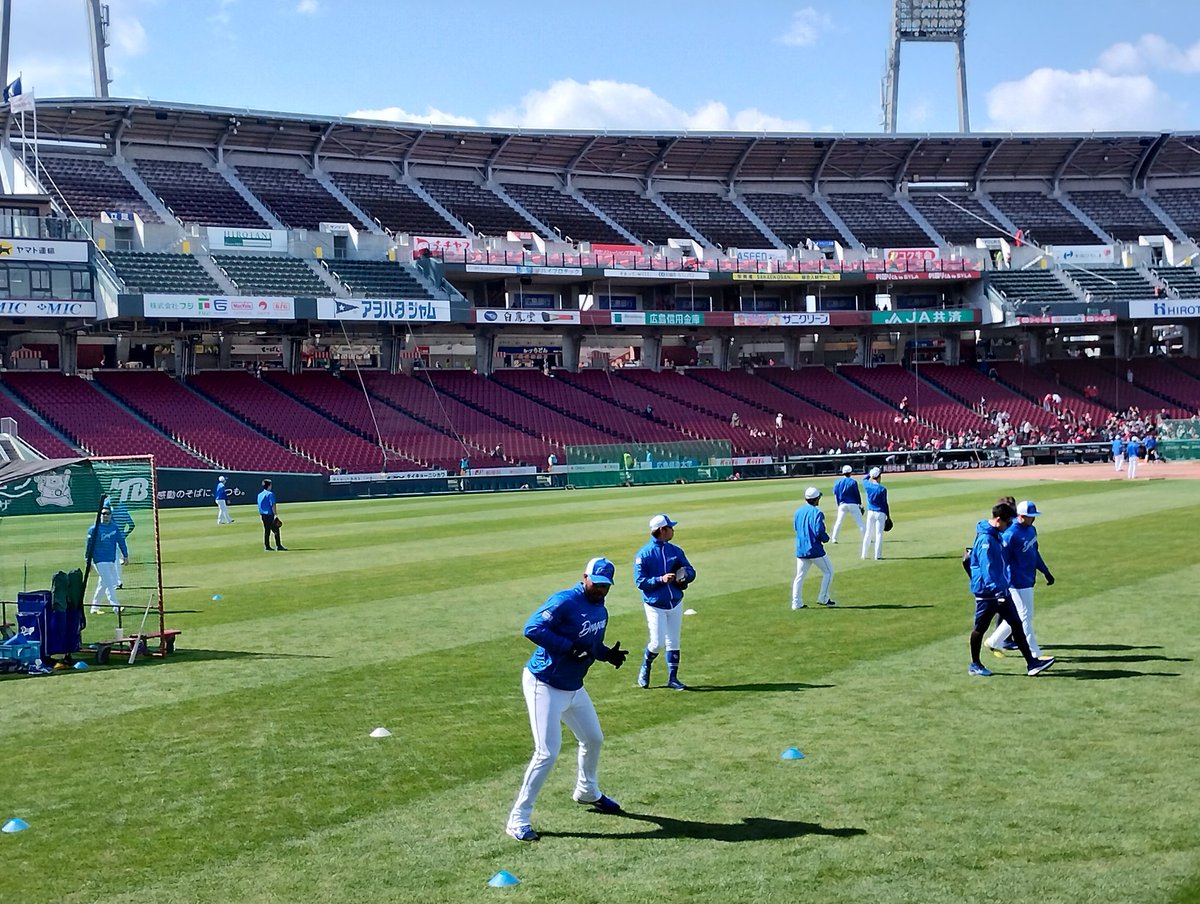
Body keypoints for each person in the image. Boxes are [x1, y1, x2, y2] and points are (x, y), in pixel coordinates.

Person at [505, 557, 628, 843]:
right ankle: (518, 819)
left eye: (605, 585)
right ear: (584, 576)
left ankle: (587, 791)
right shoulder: (564, 601)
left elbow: (590, 645)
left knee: (593, 738)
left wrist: (607, 654)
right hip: (544, 684)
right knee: (547, 752)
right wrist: (567, 648)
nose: (600, 589)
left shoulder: (601, 610)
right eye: (595, 583)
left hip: (573, 687)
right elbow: (532, 628)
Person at [966, 501, 1055, 677]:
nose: (1009, 526)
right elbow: (988, 569)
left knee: (1017, 623)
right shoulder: (987, 540)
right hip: (988, 593)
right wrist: (997, 591)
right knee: (979, 629)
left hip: (1001, 589)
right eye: (1007, 522)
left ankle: (1032, 663)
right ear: (998, 520)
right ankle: (975, 664)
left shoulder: (996, 534)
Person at [633, 514, 697, 690]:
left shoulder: (675, 551)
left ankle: (673, 678)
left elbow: (691, 570)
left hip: (675, 602)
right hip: (655, 605)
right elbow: (640, 582)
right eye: (670, 528)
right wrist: (660, 579)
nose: (673, 530)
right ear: (662, 530)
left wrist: (684, 576)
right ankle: (646, 666)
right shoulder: (644, 554)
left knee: (673, 641)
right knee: (657, 643)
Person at [985, 500, 1054, 659]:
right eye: (1031, 516)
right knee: (1025, 616)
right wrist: (1002, 582)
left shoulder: (1031, 530)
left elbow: (1034, 553)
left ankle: (993, 641)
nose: (1034, 519)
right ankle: (1034, 654)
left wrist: (1045, 571)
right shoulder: (1010, 534)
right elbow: (1002, 560)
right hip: (1014, 582)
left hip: (1028, 579)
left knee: (1019, 616)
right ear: (1021, 516)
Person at [792, 487, 835, 609]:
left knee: (799, 577)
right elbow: (819, 531)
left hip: (801, 549)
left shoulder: (798, 512)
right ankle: (823, 597)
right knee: (829, 572)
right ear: (816, 499)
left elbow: (796, 528)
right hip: (815, 550)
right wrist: (826, 538)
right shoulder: (817, 512)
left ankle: (796, 603)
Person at [87, 504, 128, 615]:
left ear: (111, 515)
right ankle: (116, 607)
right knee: (109, 582)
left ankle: (94, 607)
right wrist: (88, 561)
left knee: (103, 583)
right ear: (99, 515)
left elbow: (121, 541)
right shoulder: (94, 529)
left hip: (111, 559)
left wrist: (125, 555)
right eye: (103, 514)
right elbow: (89, 546)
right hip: (99, 560)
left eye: (107, 514)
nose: (105, 516)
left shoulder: (114, 528)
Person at [829, 464, 865, 544]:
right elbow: (857, 494)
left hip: (842, 504)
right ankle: (866, 538)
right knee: (860, 523)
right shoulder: (853, 482)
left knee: (838, 522)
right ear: (850, 472)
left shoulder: (838, 482)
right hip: (853, 504)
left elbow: (836, 494)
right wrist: (860, 504)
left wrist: (839, 504)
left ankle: (834, 539)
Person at [861, 467, 889, 561]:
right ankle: (878, 555)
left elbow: (864, 479)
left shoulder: (867, 486)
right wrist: (888, 516)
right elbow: (885, 504)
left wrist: (870, 473)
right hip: (880, 512)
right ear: (879, 477)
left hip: (870, 512)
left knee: (868, 533)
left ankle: (864, 555)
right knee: (879, 534)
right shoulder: (882, 489)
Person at [257, 479, 286, 551]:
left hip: (263, 515)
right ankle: (278, 546)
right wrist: (275, 514)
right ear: (269, 486)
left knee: (267, 531)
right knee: (276, 530)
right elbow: (272, 504)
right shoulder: (270, 494)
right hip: (269, 514)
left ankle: (267, 546)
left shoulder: (259, 495)